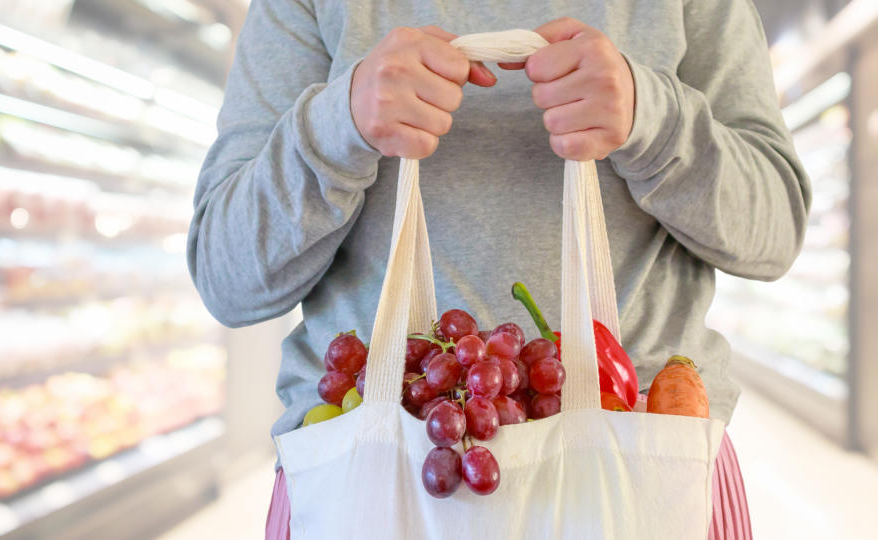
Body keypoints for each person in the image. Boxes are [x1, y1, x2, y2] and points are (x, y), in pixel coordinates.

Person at [187, 1, 809, 538]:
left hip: (645, 460)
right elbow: (229, 275)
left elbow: (773, 232)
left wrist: (655, 118)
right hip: (372, 472)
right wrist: (338, 124)